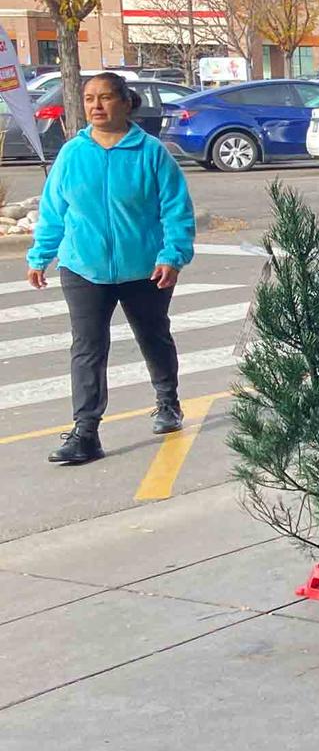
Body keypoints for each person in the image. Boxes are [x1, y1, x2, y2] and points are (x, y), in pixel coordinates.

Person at [25, 72, 195, 465]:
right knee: (87, 347)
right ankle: (86, 431)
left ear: (125, 102)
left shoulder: (151, 152)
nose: (96, 106)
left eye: (105, 98)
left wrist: (172, 255)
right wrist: (40, 255)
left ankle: (167, 402)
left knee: (153, 336)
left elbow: (176, 210)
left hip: (145, 269)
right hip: (83, 267)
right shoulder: (72, 153)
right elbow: (54, 211)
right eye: (89, 99)